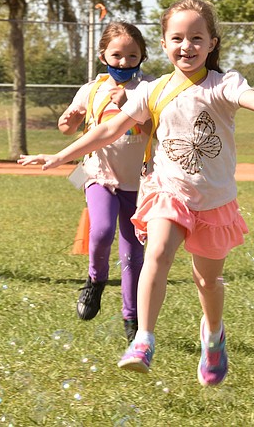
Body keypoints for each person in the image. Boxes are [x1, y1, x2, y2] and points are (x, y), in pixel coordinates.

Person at [19, 0, 254, 386]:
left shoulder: (223, 84)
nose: (186, 46)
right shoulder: (151, 91)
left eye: (196, 38)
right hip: (166, 190)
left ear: (212, 43)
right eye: (177, 38)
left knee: (207, 282)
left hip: (213, 199)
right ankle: (143, 339)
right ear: (163, 44)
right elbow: (108, 129)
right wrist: (60, 156)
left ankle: (213, 334)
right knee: (155, 253)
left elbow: (250, 97)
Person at [57, 21, 152, 344]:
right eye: (117, 55)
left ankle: (132, 317)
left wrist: (131, 103)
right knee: (99, 232)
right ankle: (95, 281)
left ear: (142, 56)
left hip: (138, 185)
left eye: (132, 55)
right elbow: (70, 126)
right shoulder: (91, 89)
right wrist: (67, 122)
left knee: (132, 253)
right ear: (103, 56)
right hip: (98, 175)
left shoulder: (150, 89)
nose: (124, 62)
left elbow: (159, 128)